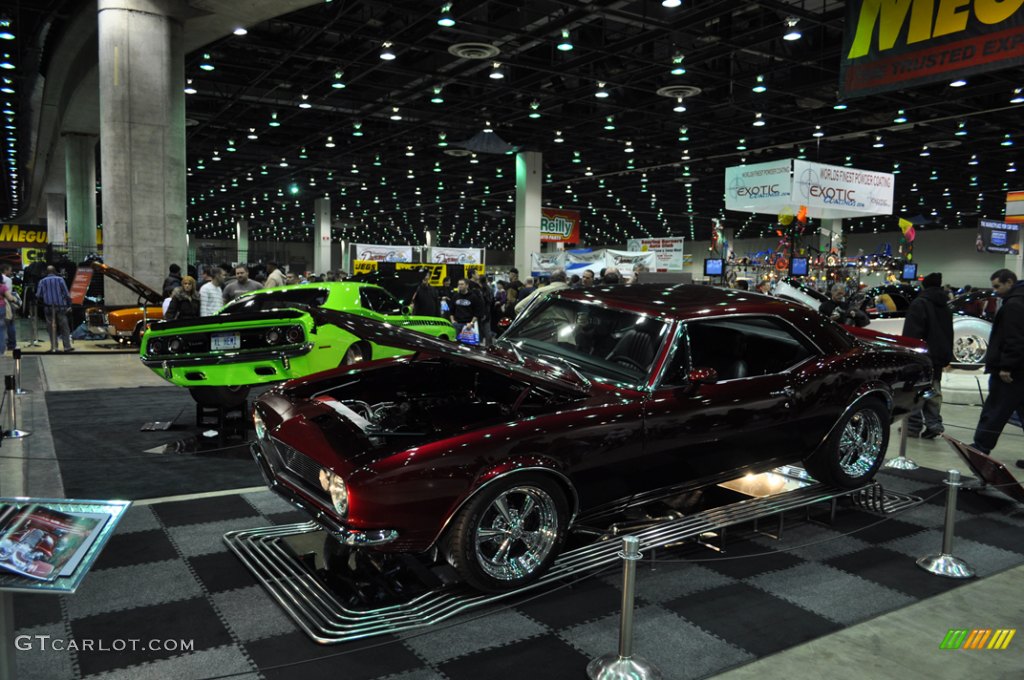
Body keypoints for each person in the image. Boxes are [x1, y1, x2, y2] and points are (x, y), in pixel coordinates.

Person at [969, 269, 1024, 463]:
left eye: (998, 286)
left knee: (996, 410)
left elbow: (1014, 339)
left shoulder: (1014, 305)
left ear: (1009, 282)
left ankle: (980, 448)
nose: (996, 291)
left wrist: (1007, 365)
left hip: (1012, 372)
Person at [902, 272, 954, 438]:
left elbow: (912, 332)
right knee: (933, 388)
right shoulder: (945, 306)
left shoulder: (920, 303)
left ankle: (913, 425)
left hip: (922, 354)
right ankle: (934, 424)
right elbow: (949, 332)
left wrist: (909, 352)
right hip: (939, 355)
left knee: (916, 389)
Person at [36, 265, 73, 352]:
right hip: (61, 307)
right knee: (64, 327)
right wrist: (69, 304)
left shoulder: (42, 281)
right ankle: (67, 346)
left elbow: (38, 295)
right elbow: (66, 294)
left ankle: (54, 347)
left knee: (51, 328)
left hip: (48, 307)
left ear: (47, 272)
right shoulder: (60, 279)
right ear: (55, 271)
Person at [469, 269, 494, 346]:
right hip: (474, 313)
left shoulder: (480, 287)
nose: (478, 275)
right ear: (472, 274)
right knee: (478, 331)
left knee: (481, 331)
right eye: (477, 273)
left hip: (481, 312)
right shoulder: (471, 285)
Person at [0, 273, 17, 355]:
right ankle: (1, 351)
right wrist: (14, 299)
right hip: (1, 308)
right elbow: (10, 297)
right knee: (2, 330)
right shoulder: (2, 287)